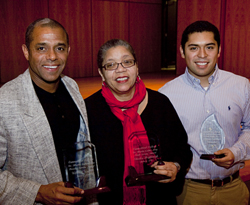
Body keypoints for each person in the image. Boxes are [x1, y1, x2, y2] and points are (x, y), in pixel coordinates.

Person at [0, 18, 96, 204]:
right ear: (26, 51)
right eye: (41, 48)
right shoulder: (5, 101)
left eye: (59, 48)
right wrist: (38, 192)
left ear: (68, 51)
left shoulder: (72, 86)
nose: (52, 56)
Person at [85, 39, 192, 205]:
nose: (120, 69)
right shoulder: (89, 110)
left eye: (127, 62)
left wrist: (176, 166)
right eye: (111, 65)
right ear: (101, 72)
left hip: (159, 199)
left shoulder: (160, 103)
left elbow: (183, 148)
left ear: (136, 66)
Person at [159, 20, 250, 204]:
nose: (202, 55)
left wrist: (236, 152)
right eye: (194, 48)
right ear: (182, 51)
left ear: (219, 50)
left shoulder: (241, 86)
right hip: (188, 192)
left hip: (233, 189)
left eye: (209, 47)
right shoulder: (166, 95)